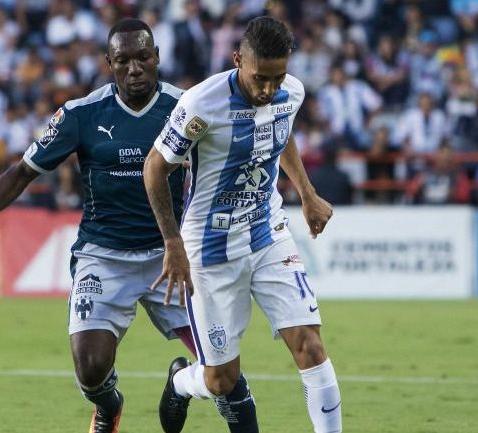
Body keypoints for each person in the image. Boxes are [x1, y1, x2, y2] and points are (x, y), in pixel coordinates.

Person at [0, 19, 210, 433]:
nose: (134, 68)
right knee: (91, 367)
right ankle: (108, 405)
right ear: (108, 63)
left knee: (219, 368)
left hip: (169, 257)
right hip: (104, 255)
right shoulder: (81, 114)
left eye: (143, 57)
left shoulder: (186, 107)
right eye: (123, 60)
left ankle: (178, 383)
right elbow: (23, 171)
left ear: (157, 58)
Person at [144, 16, 342, 433]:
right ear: (237, 60)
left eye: (278, 77)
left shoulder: (290, 93)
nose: (268, 89)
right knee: (221, 380)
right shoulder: (201, 104)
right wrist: (172, 241)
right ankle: (182, 382)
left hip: (268, 234)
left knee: (310, 345)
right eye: (260, 79)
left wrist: (305, 193)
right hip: (210, 249)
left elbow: (280, 129)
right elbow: (155, 166)